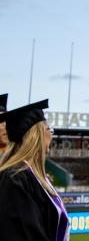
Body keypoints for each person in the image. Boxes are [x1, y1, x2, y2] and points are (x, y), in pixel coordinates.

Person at [0, 99, 69, 240]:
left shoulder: (33, 177)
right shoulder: (14, 179)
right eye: (49, 129)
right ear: (37, 135)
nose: (51, 135)